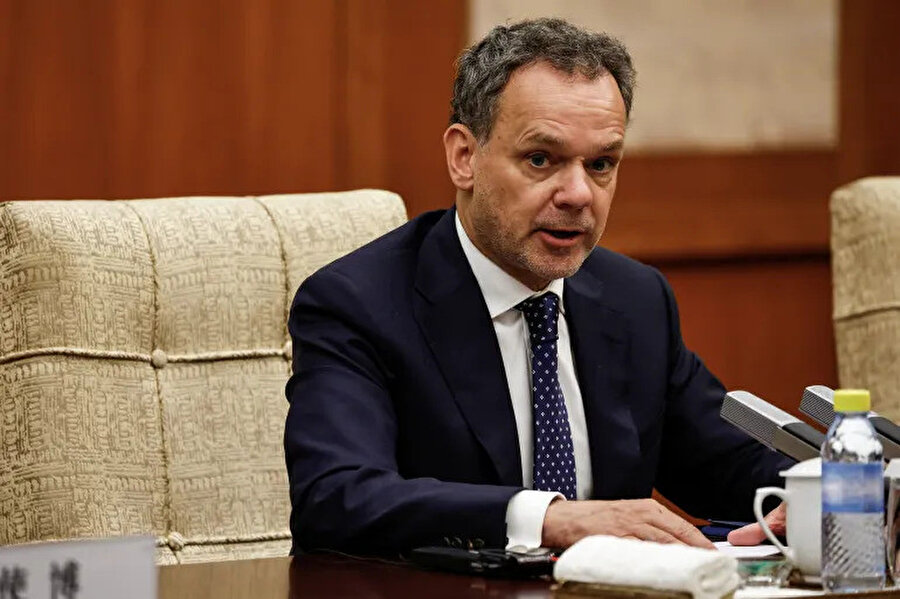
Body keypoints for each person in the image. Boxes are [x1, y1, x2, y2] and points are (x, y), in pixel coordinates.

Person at [284, 18, 791, 556]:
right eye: (541, 159)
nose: (578, 194)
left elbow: (727, 463)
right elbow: (336, 498)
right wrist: (546, 519)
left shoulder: (636, 299)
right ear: (464, 158)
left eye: (601, 164)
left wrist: (819, 489)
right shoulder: (358, 305)